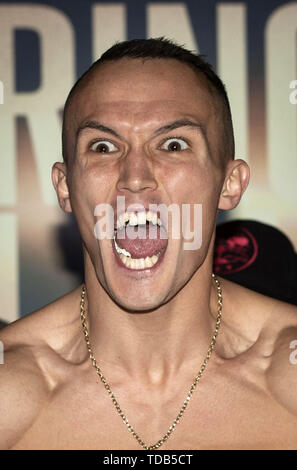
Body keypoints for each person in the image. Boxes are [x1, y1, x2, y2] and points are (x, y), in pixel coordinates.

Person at [1, 38, 296, 450]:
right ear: (65, 187)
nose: (135, 176)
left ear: (230, 184)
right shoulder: (9, 394)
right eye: (103, 147)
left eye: (173, 145)